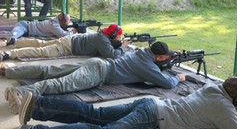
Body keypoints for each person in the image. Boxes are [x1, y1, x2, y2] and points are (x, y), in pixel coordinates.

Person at [4, 41, 186, 114]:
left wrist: (163, 64)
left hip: (96, 63)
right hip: (98, 73)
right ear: (160, 57)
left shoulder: (141, 53)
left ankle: (9, 71)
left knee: (50, 70)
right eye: (165, 58)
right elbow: (167, 83)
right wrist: (179, 77)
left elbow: (152, 66)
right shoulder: (147, 65)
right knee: (60, 85)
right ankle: (20, 93)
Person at [16, 76, 237, 129]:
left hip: (151, 104)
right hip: (154, 118)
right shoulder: (223, 106)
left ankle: (37, 103)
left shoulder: (211, 88)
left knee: (93, 113)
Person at [0, 24, 130, 62]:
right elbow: (112, 55)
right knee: (42, 51)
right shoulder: (102, 40)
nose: (119, 38)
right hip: (69, 46)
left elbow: (109, 46)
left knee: (41, 43)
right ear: (113, 35)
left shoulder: (103, 36)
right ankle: (9, 54)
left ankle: (15, 41)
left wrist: (119, 44)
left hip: (70, 40)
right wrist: (123, 47)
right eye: (118, 36)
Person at [0, 12, 71, 47]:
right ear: (63, 21)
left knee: (10, 28)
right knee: (12, 36)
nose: (69, 22)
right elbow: (64, 35)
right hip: (25, 27)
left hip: (24, 25)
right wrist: (73, 32)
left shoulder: (54, 20)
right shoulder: (54, 26)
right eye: (68, 21)